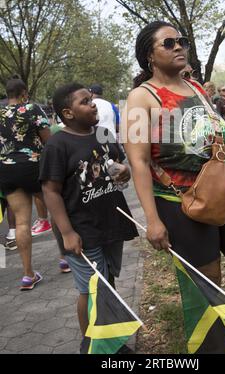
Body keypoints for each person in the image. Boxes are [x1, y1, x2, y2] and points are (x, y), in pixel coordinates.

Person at [123, 20, 225, 316]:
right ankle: (217, 345)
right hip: (179, 201)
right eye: (168, 43)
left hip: (222, 188)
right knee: (206, 284)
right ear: (149, 55)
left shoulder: (195, 88)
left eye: (182, 41)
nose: (178, 46)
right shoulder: (142, 97)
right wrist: (152, 219)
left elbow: (220, 138)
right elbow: (138, 161)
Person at [39, 83, 138, 341]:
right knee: (92, 289)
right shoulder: (57, 145)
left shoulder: (104, 133)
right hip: (80, 230)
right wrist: (68, 232)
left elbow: (117, 164)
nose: (93, 104)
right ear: (68, 113)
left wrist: (124, 171)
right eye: (84, 101)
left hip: (110, 223)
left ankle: (111, 340)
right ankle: (91, 343)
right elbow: (50, 191)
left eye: (91, 99)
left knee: (108, 282)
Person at [0, 77, 51, 289]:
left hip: (7, 169)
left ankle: (28, 274)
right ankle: (66, 259)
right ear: (24, 93)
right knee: (56, 210)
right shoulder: (32, 108)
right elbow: (48, 139)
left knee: (21, 222)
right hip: (33, 167)